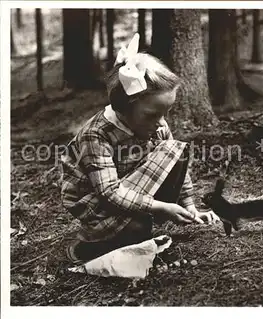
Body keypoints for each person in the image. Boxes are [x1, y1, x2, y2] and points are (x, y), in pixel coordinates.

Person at [61, 34, 219, 264]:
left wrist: (190, 207)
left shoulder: (156, 126)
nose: (161, 122)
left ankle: (131, 227)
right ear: (125, 107)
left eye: (165, 113)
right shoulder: (97, 134)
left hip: (132, 190)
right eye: (152, 115)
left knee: (175, 149)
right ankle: (92, 244)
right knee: (137, 229)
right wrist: (160, 208)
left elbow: (174, 160)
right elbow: (108, 192)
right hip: (97, 204)